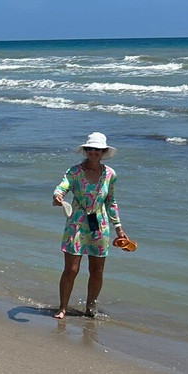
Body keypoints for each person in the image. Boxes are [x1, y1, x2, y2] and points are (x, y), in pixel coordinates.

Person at [51, 132, 129, 319]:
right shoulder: (75, 172)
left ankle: (91, 308)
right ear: (86, 151)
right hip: (77, 223)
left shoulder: (110, 174)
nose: (93, 152)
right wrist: (57, 196)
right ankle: (63, 308)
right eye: (90, 149)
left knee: (97, 270)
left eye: (97, 149)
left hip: (99, 225)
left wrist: (119, 228)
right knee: (72, 269)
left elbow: (111, 201)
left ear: (103, 152)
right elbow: (62, 186)